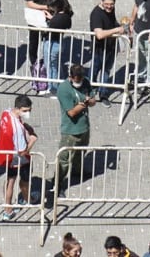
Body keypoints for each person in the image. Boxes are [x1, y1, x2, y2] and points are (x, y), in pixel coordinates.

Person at [52, 63, 95, 203]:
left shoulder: (86, 81)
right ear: (71, 77)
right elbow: (71, 112)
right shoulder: (64, 89)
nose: (80, 82)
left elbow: (93, 100)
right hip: (70, 131)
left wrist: (89, 102)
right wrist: (84, 104)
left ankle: (77, 171)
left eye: (81, 79)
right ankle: (57, 185)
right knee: (64, 160)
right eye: (77, 79)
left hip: (84, 128)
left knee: (80, 153)